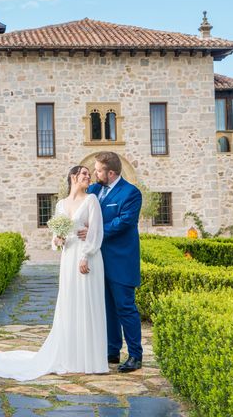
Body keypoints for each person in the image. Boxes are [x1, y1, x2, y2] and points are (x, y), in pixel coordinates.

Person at [0, 166, 108, 381]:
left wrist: (86, 255)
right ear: (73, 177)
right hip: (68, 257)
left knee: (88, 302)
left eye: (89, 174)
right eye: (84, 174)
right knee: (69, 303)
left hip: (88, 256)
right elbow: (57, 235)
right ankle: (70, 356)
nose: (88, 177)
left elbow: (96, 231)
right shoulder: (60, 205)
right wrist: (57, 240)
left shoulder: (92, 200)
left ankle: (90, 359)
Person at [82, 151, 143, 373]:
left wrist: (93, 233)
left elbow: (124, 222)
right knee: (107, 307)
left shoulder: (131, 193)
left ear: (111, 172)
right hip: (99, 261)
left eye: (98, 170)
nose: (95, 174)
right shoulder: (95, 190)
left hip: (121, 260)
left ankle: (136, 355)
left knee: (125, 308)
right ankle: (112, 350)